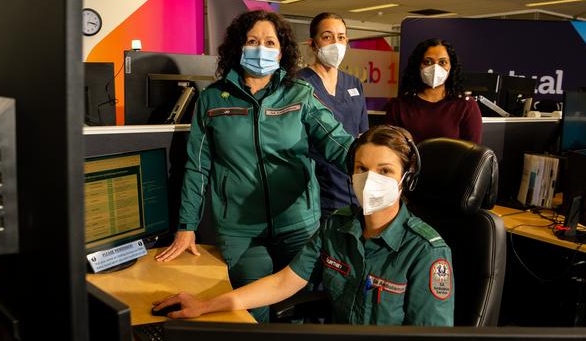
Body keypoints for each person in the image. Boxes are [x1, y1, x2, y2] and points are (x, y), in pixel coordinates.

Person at [154, 10, 354, 323]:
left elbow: (337, 142)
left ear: (282, 50)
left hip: (298, 225)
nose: (262, 48)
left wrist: (373, 165)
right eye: (253, 41)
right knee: (249, 315)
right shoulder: (212, 100)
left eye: (270, 42)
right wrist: (186, 226)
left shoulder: (299, 94)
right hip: (241, 232)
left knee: (298, 313)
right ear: (238, 47)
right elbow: (196, 166)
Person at [152, 125, 454, 326]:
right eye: (362, 169)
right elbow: (284, 282)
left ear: (407, 179)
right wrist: (205, 306)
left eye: (385, 170)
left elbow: (431, 340)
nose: (371, 179)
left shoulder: (426, 252)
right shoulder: (337, 226)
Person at [298, 12, 369, 221]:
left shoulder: (354, 84)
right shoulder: (299, 85)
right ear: (312, 43)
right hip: (315, 189)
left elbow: (362, 135)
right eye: (327, 37)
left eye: (341, 37)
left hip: (352, 186)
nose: (336, 43)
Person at [385, 38, 482, 144]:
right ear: (418, 65)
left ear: (451, 67)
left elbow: (473, 153)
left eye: (442, 62)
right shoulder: (399, 105)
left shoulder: (466, 105)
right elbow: (391, 148)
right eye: (427, 62)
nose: (435, 67)